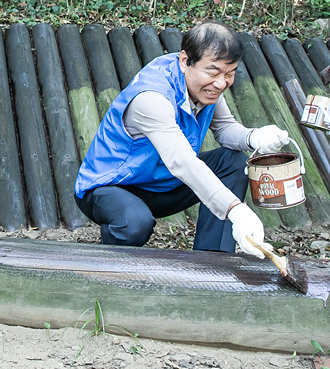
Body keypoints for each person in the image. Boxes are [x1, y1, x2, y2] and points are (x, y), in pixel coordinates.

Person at [74, 22, 292, 257]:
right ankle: (107, 269)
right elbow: (182, 161)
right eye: (213, 71)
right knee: (134, 222)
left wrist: (254, 137)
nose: (221, 83)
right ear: (184, 60)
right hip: (112, 187)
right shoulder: (152, 98)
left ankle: (213, 264)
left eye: (230, 74)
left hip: (164, 185)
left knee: (233, 162)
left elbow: (226, 128)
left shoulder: (205, 87)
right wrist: (235, 210)